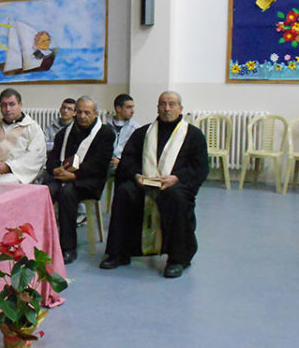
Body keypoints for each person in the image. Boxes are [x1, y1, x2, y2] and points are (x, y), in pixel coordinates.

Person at [99, 91, 208, 278]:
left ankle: (177, 259)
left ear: (180, 108)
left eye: (172, 104)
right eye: (163, 104)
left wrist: (177, 178)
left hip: (175, 185)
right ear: (157, 107)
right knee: (126, 192)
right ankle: (119, 252)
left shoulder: (193, 135)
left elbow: (199, 167)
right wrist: (137, 176)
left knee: (175, 197)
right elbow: (128, 161)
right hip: (144, 184)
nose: (167, 109)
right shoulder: (143, 133)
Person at [45, 96, 114, 264]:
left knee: (67, 192)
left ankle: (68, 248)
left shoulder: (105, 133)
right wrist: (55, 169)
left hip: (89, 181)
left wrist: (75, 175)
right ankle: (43, 241)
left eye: (87, 113)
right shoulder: (64, 133)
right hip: (62, 176)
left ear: (96, 114)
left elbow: (99, 164)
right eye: (80, 112)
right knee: (45, 190)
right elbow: (52, 158)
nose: (82, 116)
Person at [107, 93, 139, 174]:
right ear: (118, 108)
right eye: (129, 107)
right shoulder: (105, 124)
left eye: (132, 107)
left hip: (124, 167)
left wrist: (121, 162)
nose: (132, 111)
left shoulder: (135, 128)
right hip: (105, 164)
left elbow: (136, 154)